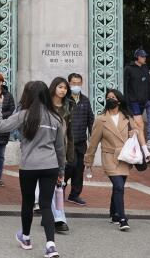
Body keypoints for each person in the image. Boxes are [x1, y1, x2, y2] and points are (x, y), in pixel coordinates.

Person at [0, 81, 63, 257]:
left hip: (29, 165)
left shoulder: (24, 115)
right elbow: (60, 148)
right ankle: (50, 245)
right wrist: (61, 170)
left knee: (28, 202)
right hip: (50, 165)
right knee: (46, 205)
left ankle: (26, 237)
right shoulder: (55, 118)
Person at [85, 88, 150, 232]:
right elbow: (93, 142)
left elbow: (137, 132)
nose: (111, 99)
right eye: (108, 97)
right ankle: (123, 218)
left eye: (113, 97)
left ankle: (114, 214)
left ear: (119, 100)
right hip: (109, 157)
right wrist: (88, 163)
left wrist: (134, 135)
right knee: (118, 186)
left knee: (118, 187)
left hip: (124, 157)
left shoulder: (127, 117)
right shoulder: (101, 119)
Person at [48, 77, 75, 233]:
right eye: (60, 87)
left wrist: (70, 154)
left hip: (61, 152)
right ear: (54, 88)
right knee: (48, 185)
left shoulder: (68, 108)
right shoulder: (46, 107)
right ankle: (55, 216)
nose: (63, 90)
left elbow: (70, 135)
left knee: (59, 185)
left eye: (65, 88)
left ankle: (58, 217)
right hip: (45, 150)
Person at [123, 49, 150, 150]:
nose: (145, 58)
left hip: (144, 101)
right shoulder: (128, 69)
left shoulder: (145, 68)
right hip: (133, 101)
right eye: (143, 57)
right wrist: (126, 102)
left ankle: (135, 142)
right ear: (138, 57)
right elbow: (125, 86)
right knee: (140, 124)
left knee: (136, 125)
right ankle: (142, 146)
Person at [65, 72, 94, 205]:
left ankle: (74, 194)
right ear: (69, 83)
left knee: (79, 169)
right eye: (73, 83)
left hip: (81, 142)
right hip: (67, 142)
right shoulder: (64, 100)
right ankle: (60, 188)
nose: (76, 85)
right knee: (69, 166)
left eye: (78, 83)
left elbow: (91, 120)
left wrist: (93, 137)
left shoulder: (85, 100)